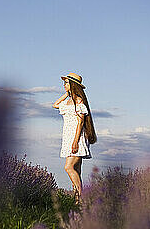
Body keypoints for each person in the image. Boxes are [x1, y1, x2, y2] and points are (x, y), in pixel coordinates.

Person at [52, 72, 92, 203]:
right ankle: (77, 201)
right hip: (68, 138)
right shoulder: (68, 101)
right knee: (76, 170)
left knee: (68, 167)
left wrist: (75, 142)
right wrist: (67, 94)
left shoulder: (79, 102)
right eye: (64, 83)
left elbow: (80, 123)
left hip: (77, 139)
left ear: (73, 85)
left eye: (66, 83)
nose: (64, 85)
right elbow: (55, 105)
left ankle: (81, 197)